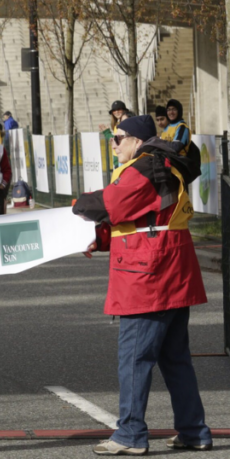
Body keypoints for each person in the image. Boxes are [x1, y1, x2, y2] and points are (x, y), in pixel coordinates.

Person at [73, 115, 211, 456]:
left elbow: (109, 204)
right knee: (175, 358)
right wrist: (102, 238)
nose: (113, 143)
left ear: (138, 140)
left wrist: (78, 205)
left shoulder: (144, 167)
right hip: (171, 273)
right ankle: (194, 431)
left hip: (147, 278)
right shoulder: (162, 165)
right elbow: (144, 219)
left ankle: (131, 434)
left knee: (134, 359)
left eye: (118, 137)